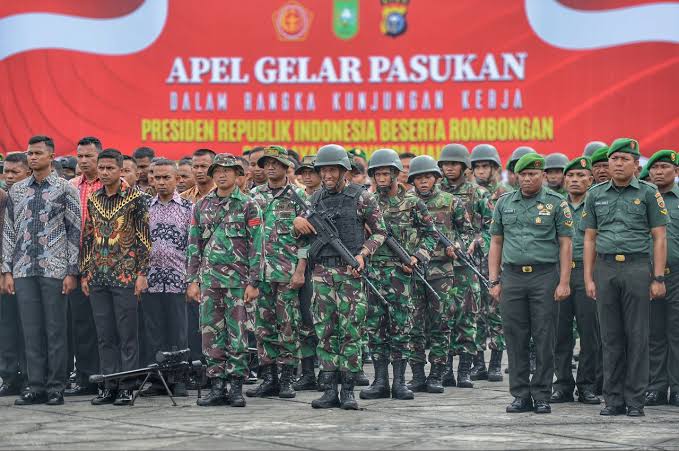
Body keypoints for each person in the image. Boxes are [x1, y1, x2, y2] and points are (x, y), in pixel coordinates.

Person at [293, 144, 387, 409]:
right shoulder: (314, 199)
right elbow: (302, 232)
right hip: (321, 273)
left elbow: (381, 232)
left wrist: (363, 253)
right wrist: (297, 225)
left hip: (350, 272)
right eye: (324, 170)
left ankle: (347, 389)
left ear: (345, 171)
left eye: (333, 169)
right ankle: (329, 389)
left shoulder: (362, 197)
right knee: (325, 330)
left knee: (350, 331)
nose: (328, 175)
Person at [582, 138, 668, 417]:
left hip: (636, 268)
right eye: (614, 159)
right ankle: (613, 399)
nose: (617, 163)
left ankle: (635, 401)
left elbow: (659, 237)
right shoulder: (595, 194)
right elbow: (590, 239)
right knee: (610, 337)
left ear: (635, 164)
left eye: (624, 159)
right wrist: (588, 278)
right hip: (605, 269)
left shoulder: (648, 193)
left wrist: (657, 277)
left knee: (638, 336)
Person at [489, 153, 573, 414]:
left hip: (544, 276)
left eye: (533, 174)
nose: (527, 179)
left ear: (542, 175)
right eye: (523, 174)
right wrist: (494, 280)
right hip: (512, 277)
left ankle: (542, 395)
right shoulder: (504, 203)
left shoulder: (557, 203)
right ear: (516, 176)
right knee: (515, 338)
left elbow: (566, 243)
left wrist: (564, 281)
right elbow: (496, 242)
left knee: (545, 337)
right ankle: (520, 395)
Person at [2, 135, 81, 406]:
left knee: (55, 330)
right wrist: (7, 270)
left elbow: (74, 231)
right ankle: (35, 386)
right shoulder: (17, 190)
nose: (32, 157)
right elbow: (9, 231)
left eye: (37, 153)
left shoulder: (65, 188)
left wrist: (72, 271)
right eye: (29, 153)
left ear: (51, 156)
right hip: (24, 269)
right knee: (31, 330)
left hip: (55, 269)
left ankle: (55, 386)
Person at [360, 148, 437, 401]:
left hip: (402, 275)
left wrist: (416, 258)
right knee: (375, 328)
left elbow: (431, 235)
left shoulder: (413, 203)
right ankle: (380, 381)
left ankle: (400, 382)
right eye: (377, 174)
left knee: (401, 328)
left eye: (386, 174)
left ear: (396, 175)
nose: (381, 179)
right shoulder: (366, 202)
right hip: (373, 274)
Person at [186, 154, 262, 408]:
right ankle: (217, 386)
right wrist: (192, 280)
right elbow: (194, 245)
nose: (222, 175)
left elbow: (257, 245)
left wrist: (254, 281)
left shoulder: (249, 205)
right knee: (210, 335)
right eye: (217, 170)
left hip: (238, 282)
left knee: (238, 335)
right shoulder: (201, 206)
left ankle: (236, 386)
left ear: (238, 175)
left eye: (228, 171)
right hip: (209, 281)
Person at [81, 148, 151, 407]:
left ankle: (127, 386)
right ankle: (108, 385)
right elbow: (88, 236)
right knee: (104, 334)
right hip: (98, 276)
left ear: (121, 170)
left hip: (126, 276)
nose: (105, 172)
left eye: (111, 168)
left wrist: (142, 273)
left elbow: (145, 239)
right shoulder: (94, 198)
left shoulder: (136, 198)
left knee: (127, 334)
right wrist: (86, 272)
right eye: (102, 168)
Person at [406, 155, 474, 393]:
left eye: (428, 177)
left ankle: (437, 373)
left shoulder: (451, 201)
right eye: (418, 178)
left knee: (441, 324)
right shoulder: (406, 202)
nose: (423, 182)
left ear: (436, 178)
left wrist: (457, 245)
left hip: (442, 271)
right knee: (413, 324)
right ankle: (416, 375)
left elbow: (467, 232)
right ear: (412, 180)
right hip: (413, 269)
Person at [248, 146, 307, 400]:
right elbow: (248, 236)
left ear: (286, 167)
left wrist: (300, 270)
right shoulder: (252, 196)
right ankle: (269, 377)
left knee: (289, 326)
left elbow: (307, 240)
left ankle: (287, 378)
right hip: (260, 274)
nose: (270, 167)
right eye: (266, 163)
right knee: (263, 327)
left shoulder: (299, 196)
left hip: (286, 272)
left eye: (275, 163)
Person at [437, 144, 492, 387]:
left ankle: (465, 371)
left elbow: (493, 228)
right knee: (443, 318)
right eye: (445, 164)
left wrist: (477, 241)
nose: (449, 168)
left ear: (464, 166)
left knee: (468, 317)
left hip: (469, 266)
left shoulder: (478, 194)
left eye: (454, 164)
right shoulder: (435, 193)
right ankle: (446, 370)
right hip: (440, 267)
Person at [138, 159, 193, 397]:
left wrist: (192, 279)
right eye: (156, 177)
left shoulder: (189, 209)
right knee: (155, 332)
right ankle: (159, 381)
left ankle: (179, 379)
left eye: (166, 177)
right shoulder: (144, 208)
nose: (160, 182)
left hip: (178, 279)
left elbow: (194, 246)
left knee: (178, 333)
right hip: (150, 279)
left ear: (177, 179)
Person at [550, 157, 601, 405]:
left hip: (587, 272)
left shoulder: (598, 204)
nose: (575, 180)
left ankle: (587, 385)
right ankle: (562, 385)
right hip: (559, 273)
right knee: (559, 333)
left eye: (581, 176)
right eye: (571, 176)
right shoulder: (555, 205)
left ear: (590, 180)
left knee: (589, 332)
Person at [65, 137, 103, 397]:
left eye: (89, 156)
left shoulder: (113, 185)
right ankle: (85, 377)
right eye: (80, 156)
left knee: (103, 323)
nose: (84, 161)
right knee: (80, 324)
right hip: (75, 263)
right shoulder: (69, 186)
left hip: (103, 265)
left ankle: (105, 375)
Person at [645, 150, 679, 406]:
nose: (658, 171)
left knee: (676, 332)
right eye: (654, 167)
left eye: (664, 167)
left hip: (677, 274)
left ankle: (676, 387)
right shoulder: (643, 198)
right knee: (654, 333)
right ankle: (656, 387)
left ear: (675, 172)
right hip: (647, 275)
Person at [0, 153, 30, 397]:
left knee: (29, 327)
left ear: (28, 173)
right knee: (6, 327)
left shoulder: (31, 197)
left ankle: (32, 376)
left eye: (14, 172)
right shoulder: (1, 199)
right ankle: (9, 376)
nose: (9, 177)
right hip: (4, 273)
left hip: (29, 271)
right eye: (6, 172)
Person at [291, 154, 321, 392]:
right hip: (305, 266)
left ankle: (335, 372)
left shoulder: (331, 197)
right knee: (305, 321)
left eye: (312, 171)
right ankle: (309, 371)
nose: (308, 176)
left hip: (331, 266)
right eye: (304, 172)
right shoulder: (297, 199)